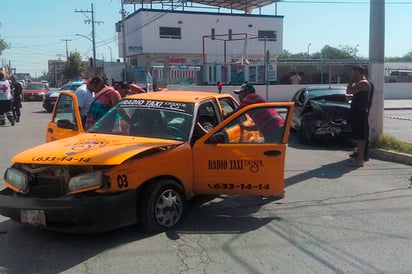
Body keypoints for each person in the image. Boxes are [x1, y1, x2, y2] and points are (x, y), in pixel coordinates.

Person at [346, 65, 372, 167]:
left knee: (361, 138)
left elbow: (349, 90)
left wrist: (351, 81)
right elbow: (355, 94)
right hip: (357, 112)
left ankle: (360, 160)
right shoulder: (360, 83)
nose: (353, 76)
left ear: (359, 73)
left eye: (354, 74)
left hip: (360, 113)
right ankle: (359, 157)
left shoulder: (363, 83)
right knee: (358, 137)